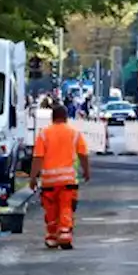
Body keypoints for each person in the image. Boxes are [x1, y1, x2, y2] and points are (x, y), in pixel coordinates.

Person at [30, 105, 90, 249]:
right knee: (66, 207)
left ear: (52, 117)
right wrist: (86, 170)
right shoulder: (74, 133)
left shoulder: (44, 134)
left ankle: (51, 236)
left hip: (49, 182)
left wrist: (33, 178)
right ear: (66, 117)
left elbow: (38, 157)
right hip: (68, 181)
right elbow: (83, 154)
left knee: (51, 210)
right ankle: (64, 234)